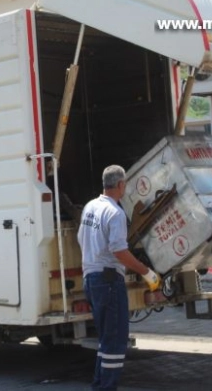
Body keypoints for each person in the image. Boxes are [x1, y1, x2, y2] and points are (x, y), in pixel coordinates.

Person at [77, 164, 161, 391]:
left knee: (106, 338)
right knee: (115, 341)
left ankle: (99, 385)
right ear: (121, 185)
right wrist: (146, 272)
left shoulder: (90, 207)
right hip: (109, 282)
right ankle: (107, 387)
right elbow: (119, 251)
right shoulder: (115, 213)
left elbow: (81, 239)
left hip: (91, 279)